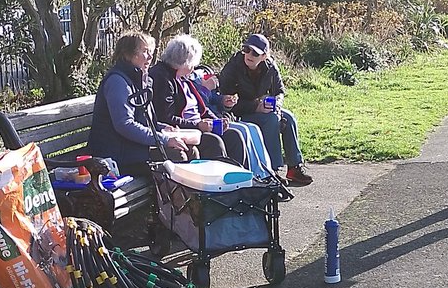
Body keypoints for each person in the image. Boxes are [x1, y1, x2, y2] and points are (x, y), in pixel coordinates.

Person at [88, 33, 198, 174]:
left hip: (134, 148)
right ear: (128, 54)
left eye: (150, 52)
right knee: (178, 155)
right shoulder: (118, 82)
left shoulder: (138, 80)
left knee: (190, 150)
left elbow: (144, 119)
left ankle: (189, 195)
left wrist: (162, 127)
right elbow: (125, 124)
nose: (150, 57)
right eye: (145, 52)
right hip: (119, 155)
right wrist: (164, 140)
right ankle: (171, 196)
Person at [218, 34, 313, 186]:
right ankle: (272, 171)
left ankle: (294, 167)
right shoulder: (233, 67)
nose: (249, 55)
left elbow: (280, 91)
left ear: (264, 56)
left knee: (288, 118)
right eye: (246, 49)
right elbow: (226, 101)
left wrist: (277, 104)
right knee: (271, 120)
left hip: (262, 110)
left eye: (254, 53)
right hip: (238, 114)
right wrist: (256, 106)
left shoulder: (270, 67)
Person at [149, 34, 248, 167]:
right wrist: (198, 125)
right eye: (193, 64)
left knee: (234, 135)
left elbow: (201, 108)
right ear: (185, 61)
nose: (194, 68)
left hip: (199, 127)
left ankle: (240, 178)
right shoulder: (162, 78)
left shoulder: (183, 77)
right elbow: (166, 117)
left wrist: (216, 119)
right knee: (214, 142)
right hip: (184, 131)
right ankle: (217, 182)